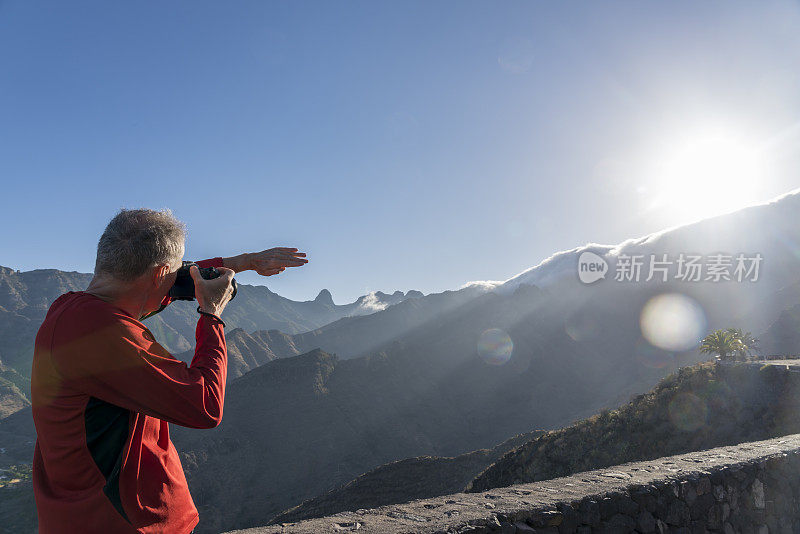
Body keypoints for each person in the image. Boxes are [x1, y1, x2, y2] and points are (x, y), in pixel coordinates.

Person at [30, 208, 308, 534]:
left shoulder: (70, 309)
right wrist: (211, 315)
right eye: (172, 274)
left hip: (81, 517)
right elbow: (205, 405)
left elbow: (167, 282)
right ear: (159, 274)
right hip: (129, 523)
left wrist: (245, 261)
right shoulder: (106, 335)